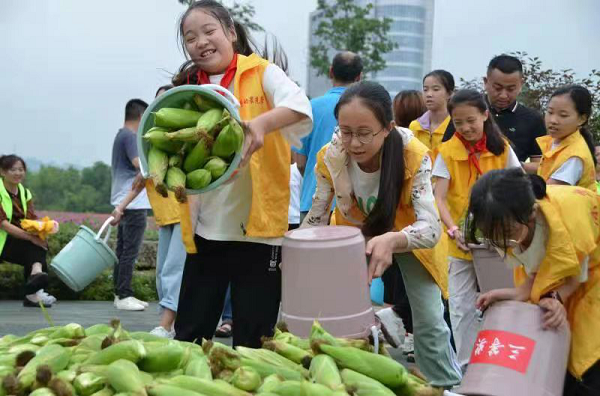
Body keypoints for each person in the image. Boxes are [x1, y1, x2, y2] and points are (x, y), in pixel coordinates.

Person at [171, 0, 312, 348]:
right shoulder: (188, 88)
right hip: (206, 230)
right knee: (190, 332)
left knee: (253, 339)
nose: (200, 41)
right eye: (190, 37)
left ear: (230, 33)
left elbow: (299, 107)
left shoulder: (263, 72)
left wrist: (260, 125)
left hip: (260, 233)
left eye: (209, 31)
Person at [303, 81, 462, 388]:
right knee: (343, 320)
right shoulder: (330, 157)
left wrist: (391, 239)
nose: (354, 143)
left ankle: (441, 386)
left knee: (429, 318)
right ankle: (350, 383)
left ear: (388, 128)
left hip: (411, 237)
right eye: (345, 131)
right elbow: (317, 215)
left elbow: (430, 228)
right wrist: (298, 252)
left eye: (365, 133)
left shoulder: (414, 155)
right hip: (354, 238)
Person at [467, 168, 600, 396]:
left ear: (532, 214)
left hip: (592, 272)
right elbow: (538, 265)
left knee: (585, 355)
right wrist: (519, 293)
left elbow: (578, 267)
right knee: (554, 344)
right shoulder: (512, 224)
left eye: (506, 232)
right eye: (490, 234)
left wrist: (556, 298)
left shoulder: (570, 220)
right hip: (571, 271)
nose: (500, 241)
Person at [433, 89, 522, 370]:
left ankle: (500, 365)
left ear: (485, 115)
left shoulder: (503, 149)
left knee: (501, 300)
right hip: (459, 243)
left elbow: (519, 188)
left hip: (497, 243)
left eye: (471, 120)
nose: (466, 128)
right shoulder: (446, 152)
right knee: (460, 308)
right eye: (458, 122)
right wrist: (451, 230)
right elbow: (439, 198)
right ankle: (467, 368)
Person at [112, 84, 194, 337]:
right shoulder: (153, 141)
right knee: (162, 274)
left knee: (173, 270)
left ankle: (166, 326)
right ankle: (172, 325)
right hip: (165, 217)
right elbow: (140, 180)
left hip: (184, 214)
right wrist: (120, 208)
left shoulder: (185, 138)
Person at [376, 89, 428, 355]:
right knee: (414, 287)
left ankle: (400, 320)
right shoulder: (420, 139)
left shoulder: (412, 147)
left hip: (400, 229)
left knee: (403, 284)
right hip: (407, 229)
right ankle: (405, 326)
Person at [442, 55, 546, 173]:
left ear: (521, 84)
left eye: (510, 89)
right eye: (497, 88)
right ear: (486, 82)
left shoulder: (533, 120)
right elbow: (445, 154)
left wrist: (512, 164)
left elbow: (542, 166)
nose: (503, 95)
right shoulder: (466, 112)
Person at [294, 51, 363, 222]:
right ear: (359, 77)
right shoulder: (366, 110)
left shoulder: (310, 108)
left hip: (314, 203)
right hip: (354, 207)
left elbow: (300, 163)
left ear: (331, 71)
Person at [0, 155, 57, 307]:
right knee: (34, 243)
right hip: (2, 239)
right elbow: (3, 224)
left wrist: (45, 226)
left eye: (21, 169)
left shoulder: (24, 193)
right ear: (2, 172)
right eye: (13, 170)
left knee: (40, 242)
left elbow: (31, 219)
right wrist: (30, 237)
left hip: (15, 238)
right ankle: (34, 290)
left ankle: (35, 279)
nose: (18, 173)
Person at [110, 98, 151, 311]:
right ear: (142, 116)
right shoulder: (130, 137)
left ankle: (120, 293)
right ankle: (124, 294)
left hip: (122, 201)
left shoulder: (120, 135)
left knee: (122, 250)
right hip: (133, 202)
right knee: (129, 252)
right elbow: (140, 165)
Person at [537, 85, 596, 191]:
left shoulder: (575, 156)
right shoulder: (554, 141)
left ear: (582, 119)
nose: (553, 120)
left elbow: (548, 190)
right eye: (550, 112)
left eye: (563, 115)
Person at [410, 70, 455, 157]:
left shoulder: (455, 126)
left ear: (449, 94)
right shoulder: (415, 126)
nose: (429, 94)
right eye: (425, 89)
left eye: (435, 89)